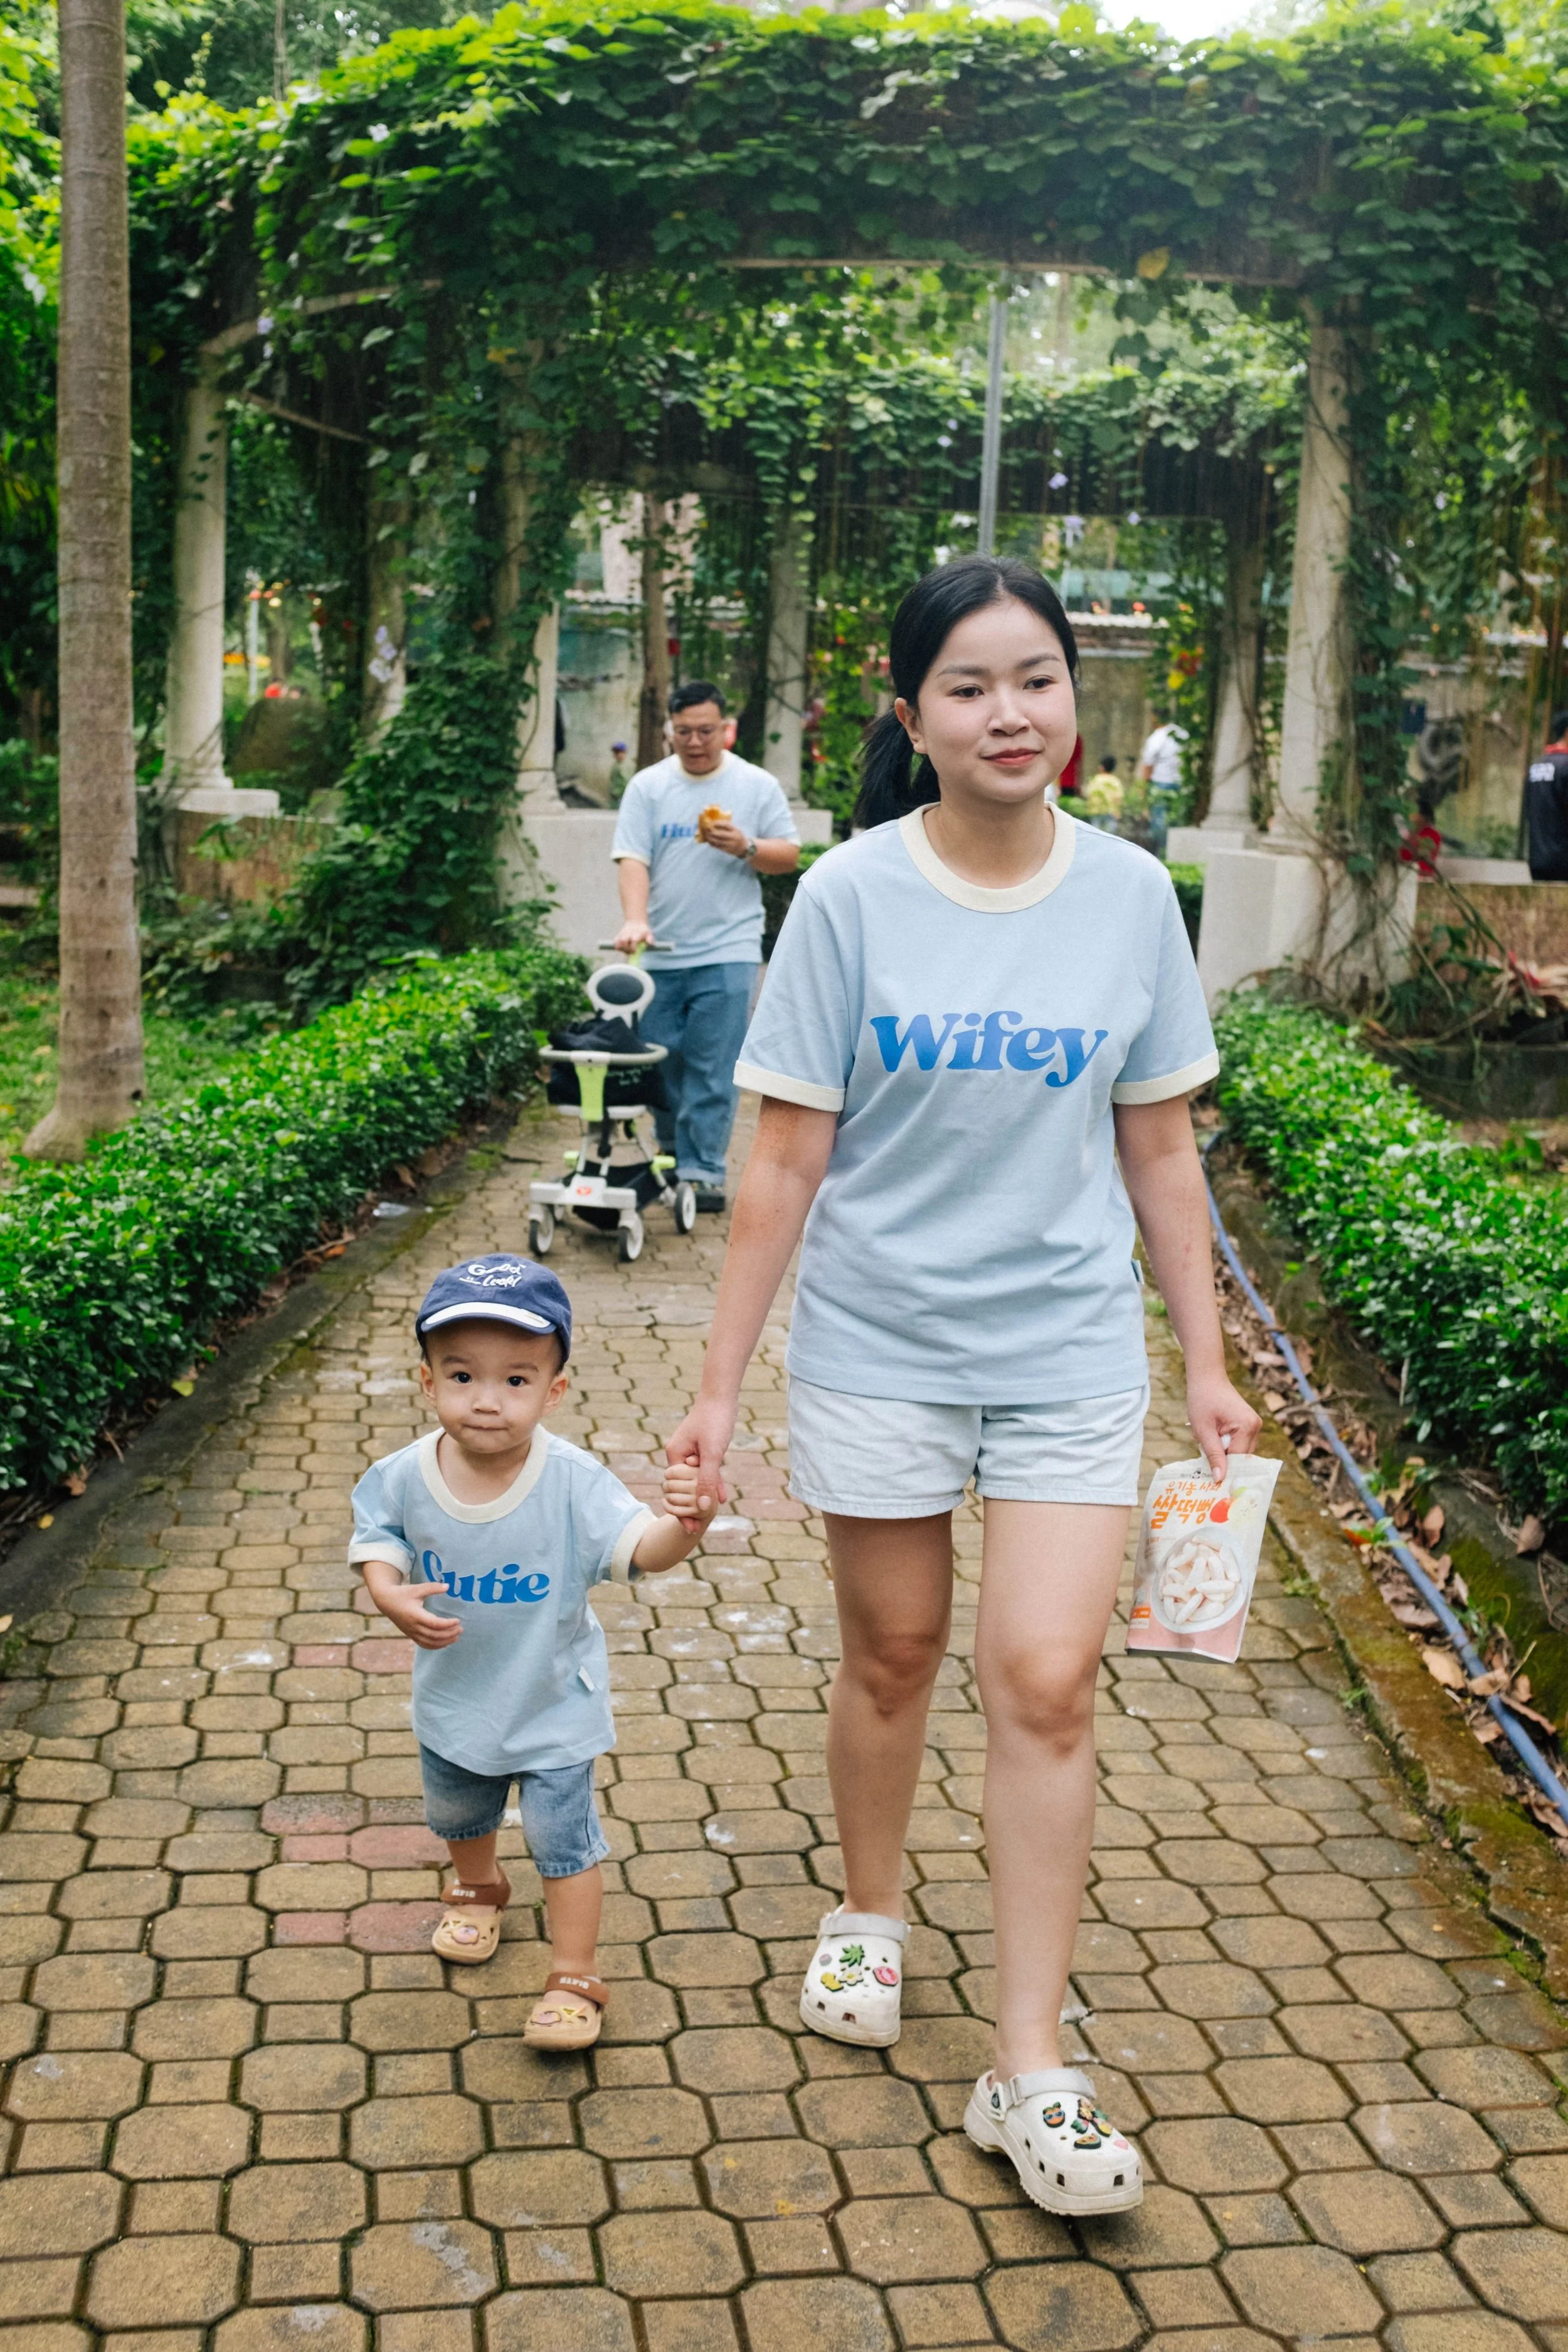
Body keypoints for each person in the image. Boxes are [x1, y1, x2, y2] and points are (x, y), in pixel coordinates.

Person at [665, 556, 1259, 2217]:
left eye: (1038, 679)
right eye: (970, 685)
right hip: (880, 1342)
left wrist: (1204, 1364)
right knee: (895, 1646)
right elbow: (783, 1149)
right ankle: (867, 1900)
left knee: (1047, 1675)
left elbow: (1157, 1140)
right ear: (912, 715)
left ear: (1076, 704)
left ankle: (1029, 2057)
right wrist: (719, 1384)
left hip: (1066, 1349)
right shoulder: (851, 894)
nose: (1011, 711)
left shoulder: (1132, 894)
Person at [352, 1255, 717, 2049]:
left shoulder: (574, 1481)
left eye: (515, 1380)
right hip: (455, 1698)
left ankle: (574, 1973)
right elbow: (375, 1533)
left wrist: (686, 1526)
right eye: (462, 1376)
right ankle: (478, 1888)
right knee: (458, 1813)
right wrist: (385, 1589)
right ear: (427, 1381)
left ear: (554, 1391)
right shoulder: (404, 1474)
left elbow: (641, 1550)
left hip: (555, 1703)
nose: (486, 1400)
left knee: (564, 1841)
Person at [612, 681, 800, 1211]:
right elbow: (633, 858)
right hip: (662, 950)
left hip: (730, 950)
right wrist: (634, 920)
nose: (695, 742)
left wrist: (747, 846)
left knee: (714, 1067)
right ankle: (673, 1153)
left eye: (706, 731)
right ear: (669, 731)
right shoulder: (647, 787)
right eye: (684, 732)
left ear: (726, 729)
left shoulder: (756, 785)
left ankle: (703, 1172)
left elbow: (788, 855)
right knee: (660, 1061)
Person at [1138, 706, 1189, 861]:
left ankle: (1159, 856)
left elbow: (1148, 766)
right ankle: (1173, 855)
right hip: (1180, 783)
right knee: (1175, 820)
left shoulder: (1156, 738)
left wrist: (1143, 790)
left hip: (1160, 784)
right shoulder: (1182, 734)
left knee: (1159, 822)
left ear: (1155, 718)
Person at [1525, 710, 1568, 882]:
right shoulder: (1566, 766)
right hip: (1564, 864)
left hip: (1538, 862)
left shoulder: (1536, 766)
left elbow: (1529, 812)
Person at [1081, 752, 1123, 830]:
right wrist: (1117, 812)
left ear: (1102, 767)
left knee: (1095, 831)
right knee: (1110, 834)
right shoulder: (1115, 781)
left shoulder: (1096, 779)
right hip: (1110, 811)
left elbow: (1089, 794)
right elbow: (1118, 798)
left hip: (1096, 811)